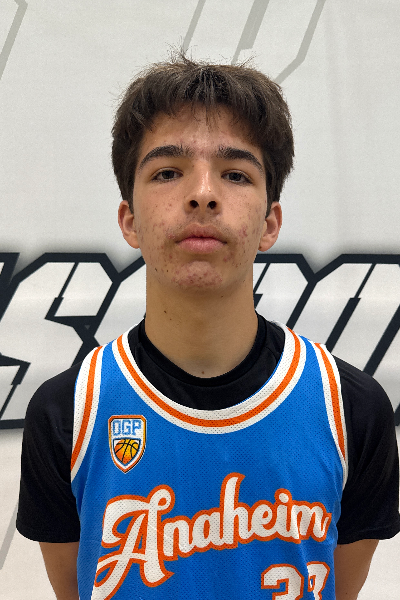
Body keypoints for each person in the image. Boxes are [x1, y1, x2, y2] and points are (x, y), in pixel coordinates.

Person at [17, 53, 400, 600]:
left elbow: (341, 585)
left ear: (270, 222)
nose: (202, 193)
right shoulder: (67, 413)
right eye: (168, 172)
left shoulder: (352, 410)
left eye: (235, 174)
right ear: (129, 220)